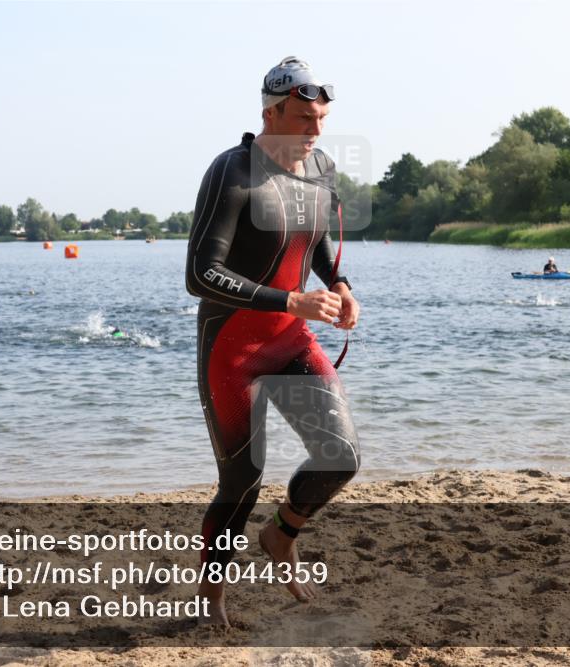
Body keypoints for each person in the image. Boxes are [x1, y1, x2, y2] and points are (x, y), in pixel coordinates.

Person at [185, 56, 361, 626]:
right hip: (231, 350)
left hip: (290, 341)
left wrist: (339, 284)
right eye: (305, 118)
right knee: (242, 479)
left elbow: (312, 246)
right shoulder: (232, 171)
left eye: (322, 118)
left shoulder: (322, 168)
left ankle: (281, 533)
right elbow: (199, 274)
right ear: (271, 112)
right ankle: (212, 599)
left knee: (341, 456)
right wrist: (290, 300)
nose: (316, 130)